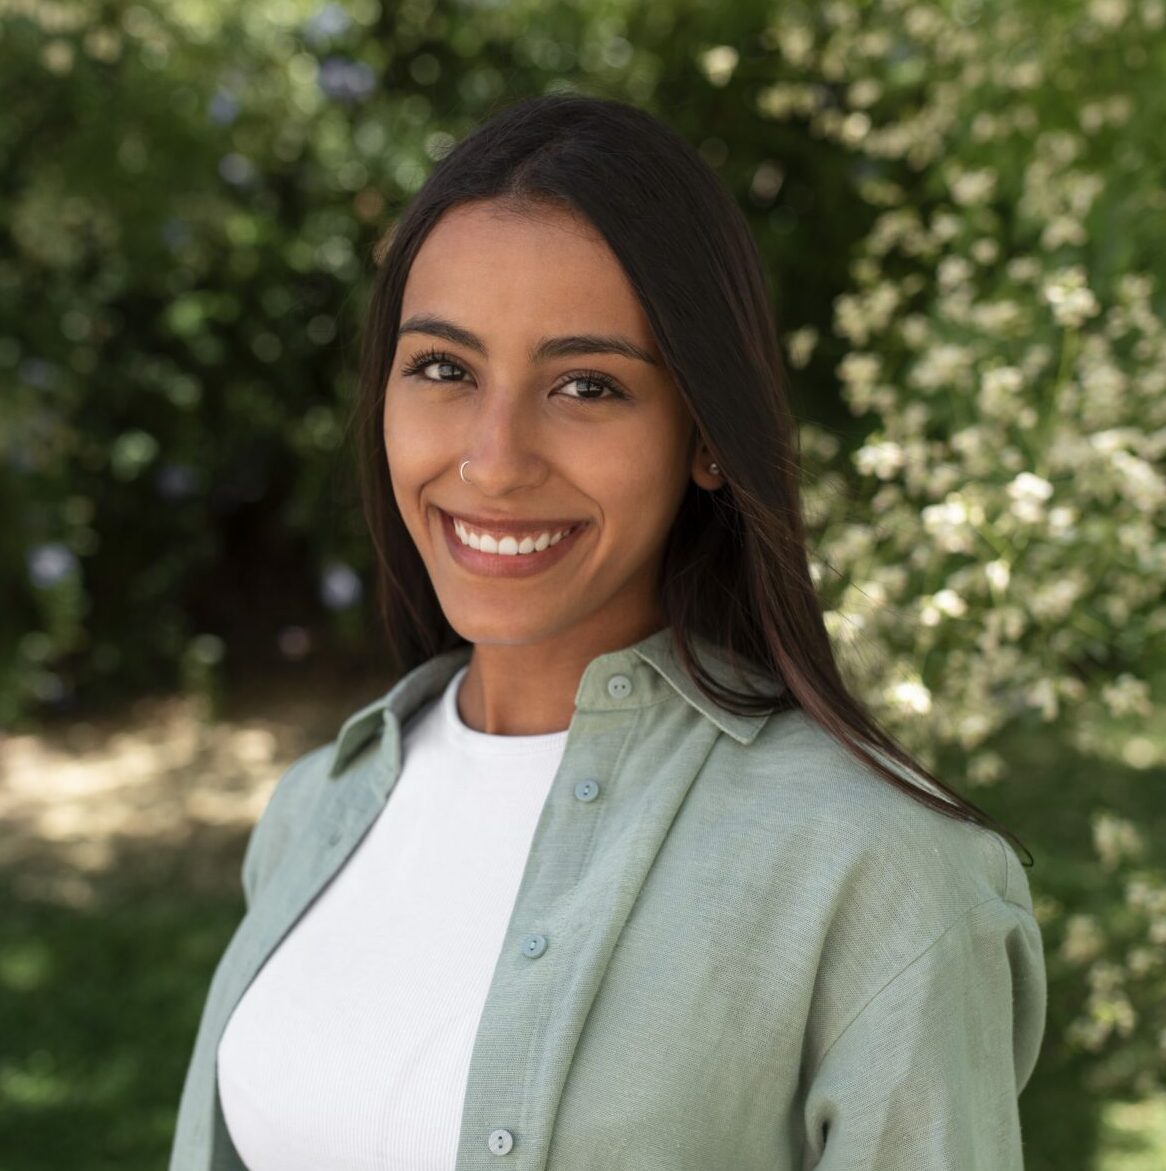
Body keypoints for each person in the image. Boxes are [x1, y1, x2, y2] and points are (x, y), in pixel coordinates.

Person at [167, 93, 1046, 1171]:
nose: (492, 461)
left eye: (586, 385)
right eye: (443, 368)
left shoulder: (880, 876)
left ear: (707, 438)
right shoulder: (315, 811)